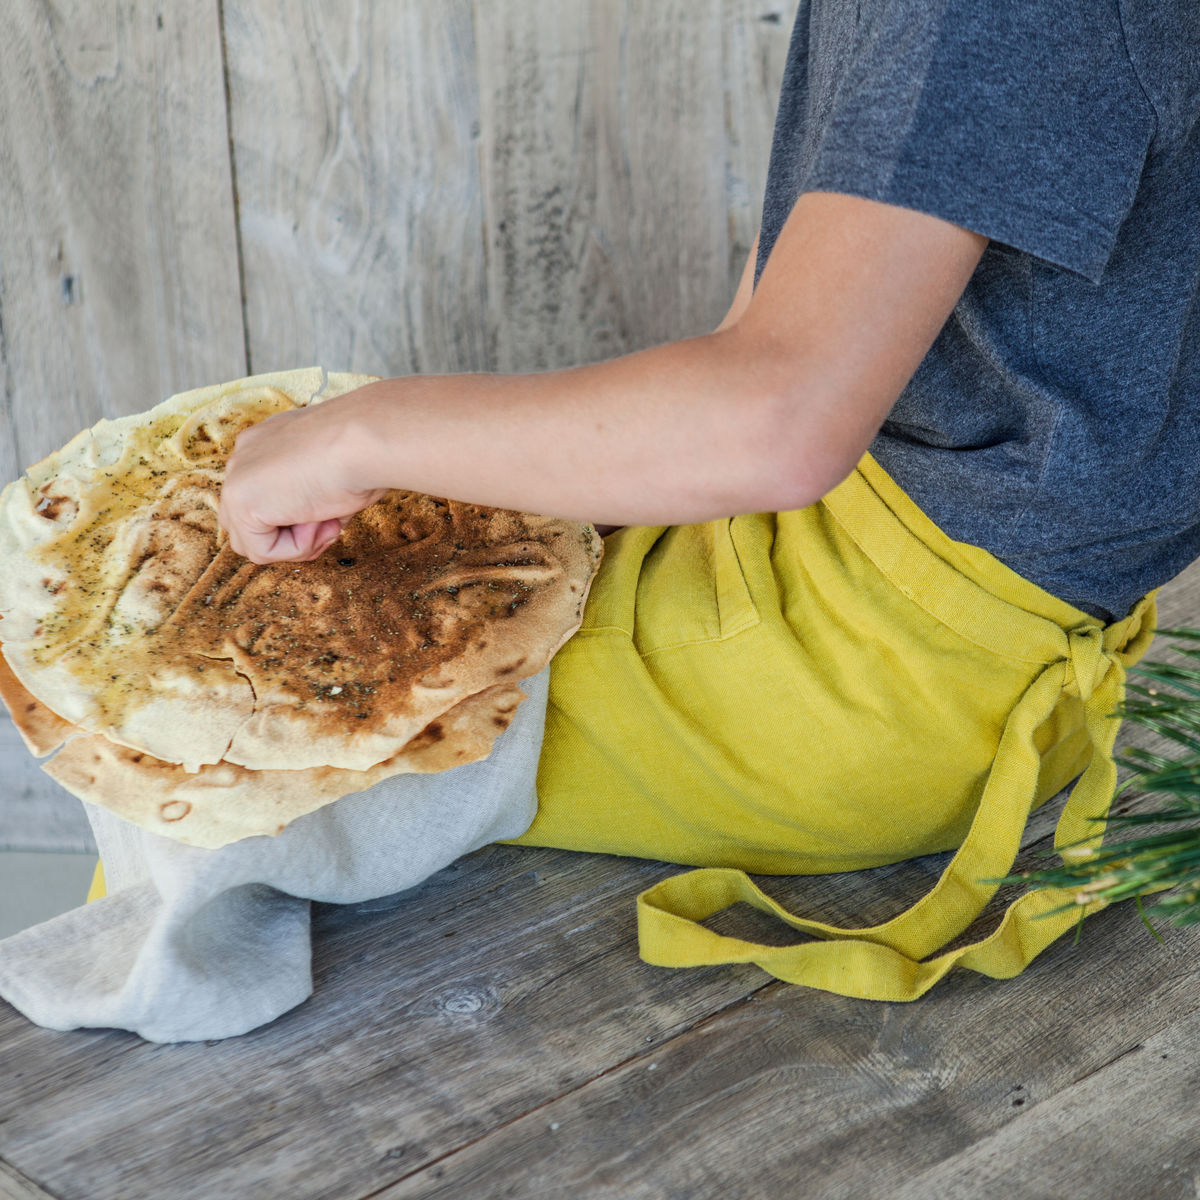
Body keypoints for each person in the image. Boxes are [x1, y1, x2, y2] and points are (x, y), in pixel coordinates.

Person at [216, 0, 1199, 1000]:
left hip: (875, 673)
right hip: (940, 601)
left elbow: (778, 421)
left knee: (221, 723)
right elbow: (783, 308)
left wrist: (359, 434)